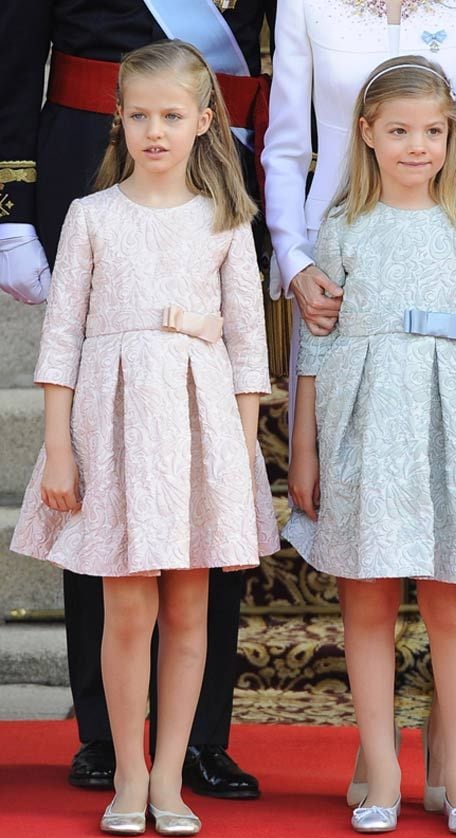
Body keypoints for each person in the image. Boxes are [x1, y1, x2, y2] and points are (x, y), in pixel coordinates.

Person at [262, 0, 456, 807]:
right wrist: (305, 445)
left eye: (432, 133)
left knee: (448, 598)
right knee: (366, 594)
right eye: (399, 132)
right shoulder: (339, 228)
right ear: (368, 132)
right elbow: (287, 151)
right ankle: (380, 769)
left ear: (446, 134)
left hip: (447, 408)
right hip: (361, 403)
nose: (417, 145)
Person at [0, 0, 275, 797]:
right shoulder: (95, 215)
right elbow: (15, 48)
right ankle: (101, 734)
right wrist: (11, 206)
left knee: (201, 504)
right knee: (103, 478)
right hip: (90, 145)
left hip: (220, 150)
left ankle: (200, 737)